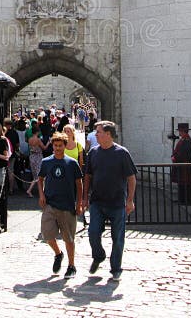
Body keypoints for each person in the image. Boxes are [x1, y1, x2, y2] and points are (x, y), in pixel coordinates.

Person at [83, 120, 137, 281]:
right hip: (97, 201)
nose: (95, 135)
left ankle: (116, 268)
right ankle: (98, 256)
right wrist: (85, 197)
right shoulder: (93, 152)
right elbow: (88, 176)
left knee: (118, 237)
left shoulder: (122, 153)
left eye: (98, 132)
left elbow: (131, 178)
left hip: (116, 202)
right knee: (93, 232)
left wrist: (130, 200)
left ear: (108, 134)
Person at [38, 132, 83, 280]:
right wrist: (42, 195)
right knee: (47, 234)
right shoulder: (46, 162)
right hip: (50, 204)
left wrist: (80, 202)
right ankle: (58, 254)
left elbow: (79, 183)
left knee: (68, 238)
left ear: (65, 146)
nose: (57, 148)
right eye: (55, 145)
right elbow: (40, 179)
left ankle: (71, 265)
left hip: (67, 205)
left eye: (60, 146)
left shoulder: (71, 163)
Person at [171, 123, 191, 204]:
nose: (179, 133)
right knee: (181, 183)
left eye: (180, 131)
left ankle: (186, 200)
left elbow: (184, 153)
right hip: (181, 164)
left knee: (186, 183)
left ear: (183, 131)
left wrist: (175, 157)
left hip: (185, 164)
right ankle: (181, 199)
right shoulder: (183, 139)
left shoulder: (187, 140)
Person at [25, 120, 47, 198]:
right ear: (37, 132)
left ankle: (40, 191)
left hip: (32, 157)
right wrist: (49, 142)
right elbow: (44, 148)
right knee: (40, 175)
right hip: (38, 157)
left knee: (36, 176)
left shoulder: (29, 139)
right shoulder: (38, 140)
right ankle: (35, 190)